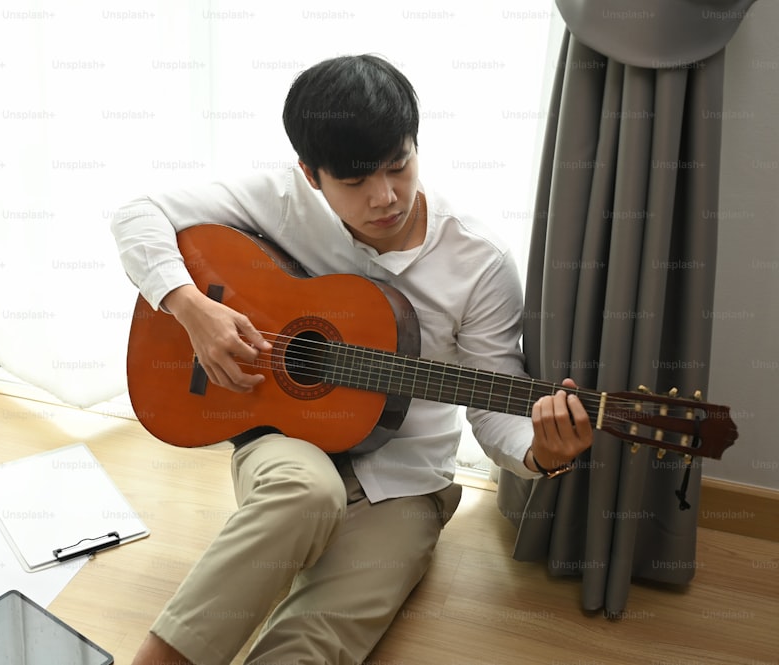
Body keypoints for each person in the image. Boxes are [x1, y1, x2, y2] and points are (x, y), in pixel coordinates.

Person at [112, 54, 593, 665]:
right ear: (312, 176)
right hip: (284, 440)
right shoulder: (282, 200)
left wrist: (542, 453)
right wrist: (191, 308)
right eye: (355, 182)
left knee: (316, 642)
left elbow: (492, 401)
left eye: (399, 167)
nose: (385, 197)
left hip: (405, 480)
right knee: (304, 495)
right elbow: (137, 215)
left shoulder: (481, 263)